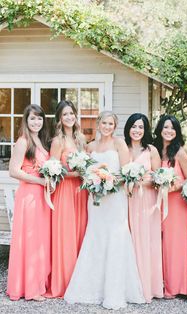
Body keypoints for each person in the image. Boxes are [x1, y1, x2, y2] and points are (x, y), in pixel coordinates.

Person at [64, 111, 144, 309]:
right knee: (96, 236)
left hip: (115, 199)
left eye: (111, 123)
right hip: (96, 200)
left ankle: (115, 290)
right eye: (104, 123)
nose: (107, 126)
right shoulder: (90, 146)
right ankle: (92, 287)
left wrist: (109, 179)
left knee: (116, 238)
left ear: (114, 126)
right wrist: (94, 181)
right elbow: (85, 173)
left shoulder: (119, 144)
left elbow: (126, 174)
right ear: (98, 124)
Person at [7, 104, 51, 301]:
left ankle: (39, 283)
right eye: (32, 118)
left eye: (39, 118)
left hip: (42, 196)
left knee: (41, 240)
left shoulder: (41, 141)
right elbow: (14, 171)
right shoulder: (23, 141)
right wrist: (40, 180)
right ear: (26, 120)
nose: (36, 122)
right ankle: (30, 289)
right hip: (30, 196)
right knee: (31, 240)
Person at [46, 100, 88, 298]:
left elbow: (88, 164)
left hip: (81, 192)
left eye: (71, 113)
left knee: (80, 233)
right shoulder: (58, 141)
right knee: (66, 235)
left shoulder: (81, 139)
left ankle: (80, 281)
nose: (69, 117)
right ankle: (63, 283)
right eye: (65, 114)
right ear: (59, 119)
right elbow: (53, 172)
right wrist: (74, 175)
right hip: (65, 192)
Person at [124, 113, 163, 302]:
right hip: (126, 199)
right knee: (128, 239)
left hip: (146, 200)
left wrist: (142, 182)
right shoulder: (122, 148)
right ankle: (129, 286)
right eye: (133, 126)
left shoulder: (152, 150)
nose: (137, 130)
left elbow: (158, 178)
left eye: (140, 127)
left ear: (145, 129)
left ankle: (148, 286)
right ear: (128, 128)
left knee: (147, 240)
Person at [153, 114, 187, 298]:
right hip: (157, 202)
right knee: (159, 242)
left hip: (176, 204)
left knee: (174, 244)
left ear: (177, 132)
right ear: (160, 129)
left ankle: (176, 286)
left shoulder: (180, 153)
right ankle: (160, 282)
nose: (169, 131)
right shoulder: (155, 150)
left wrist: (175, 186)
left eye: (172, 128)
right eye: (166, 127)